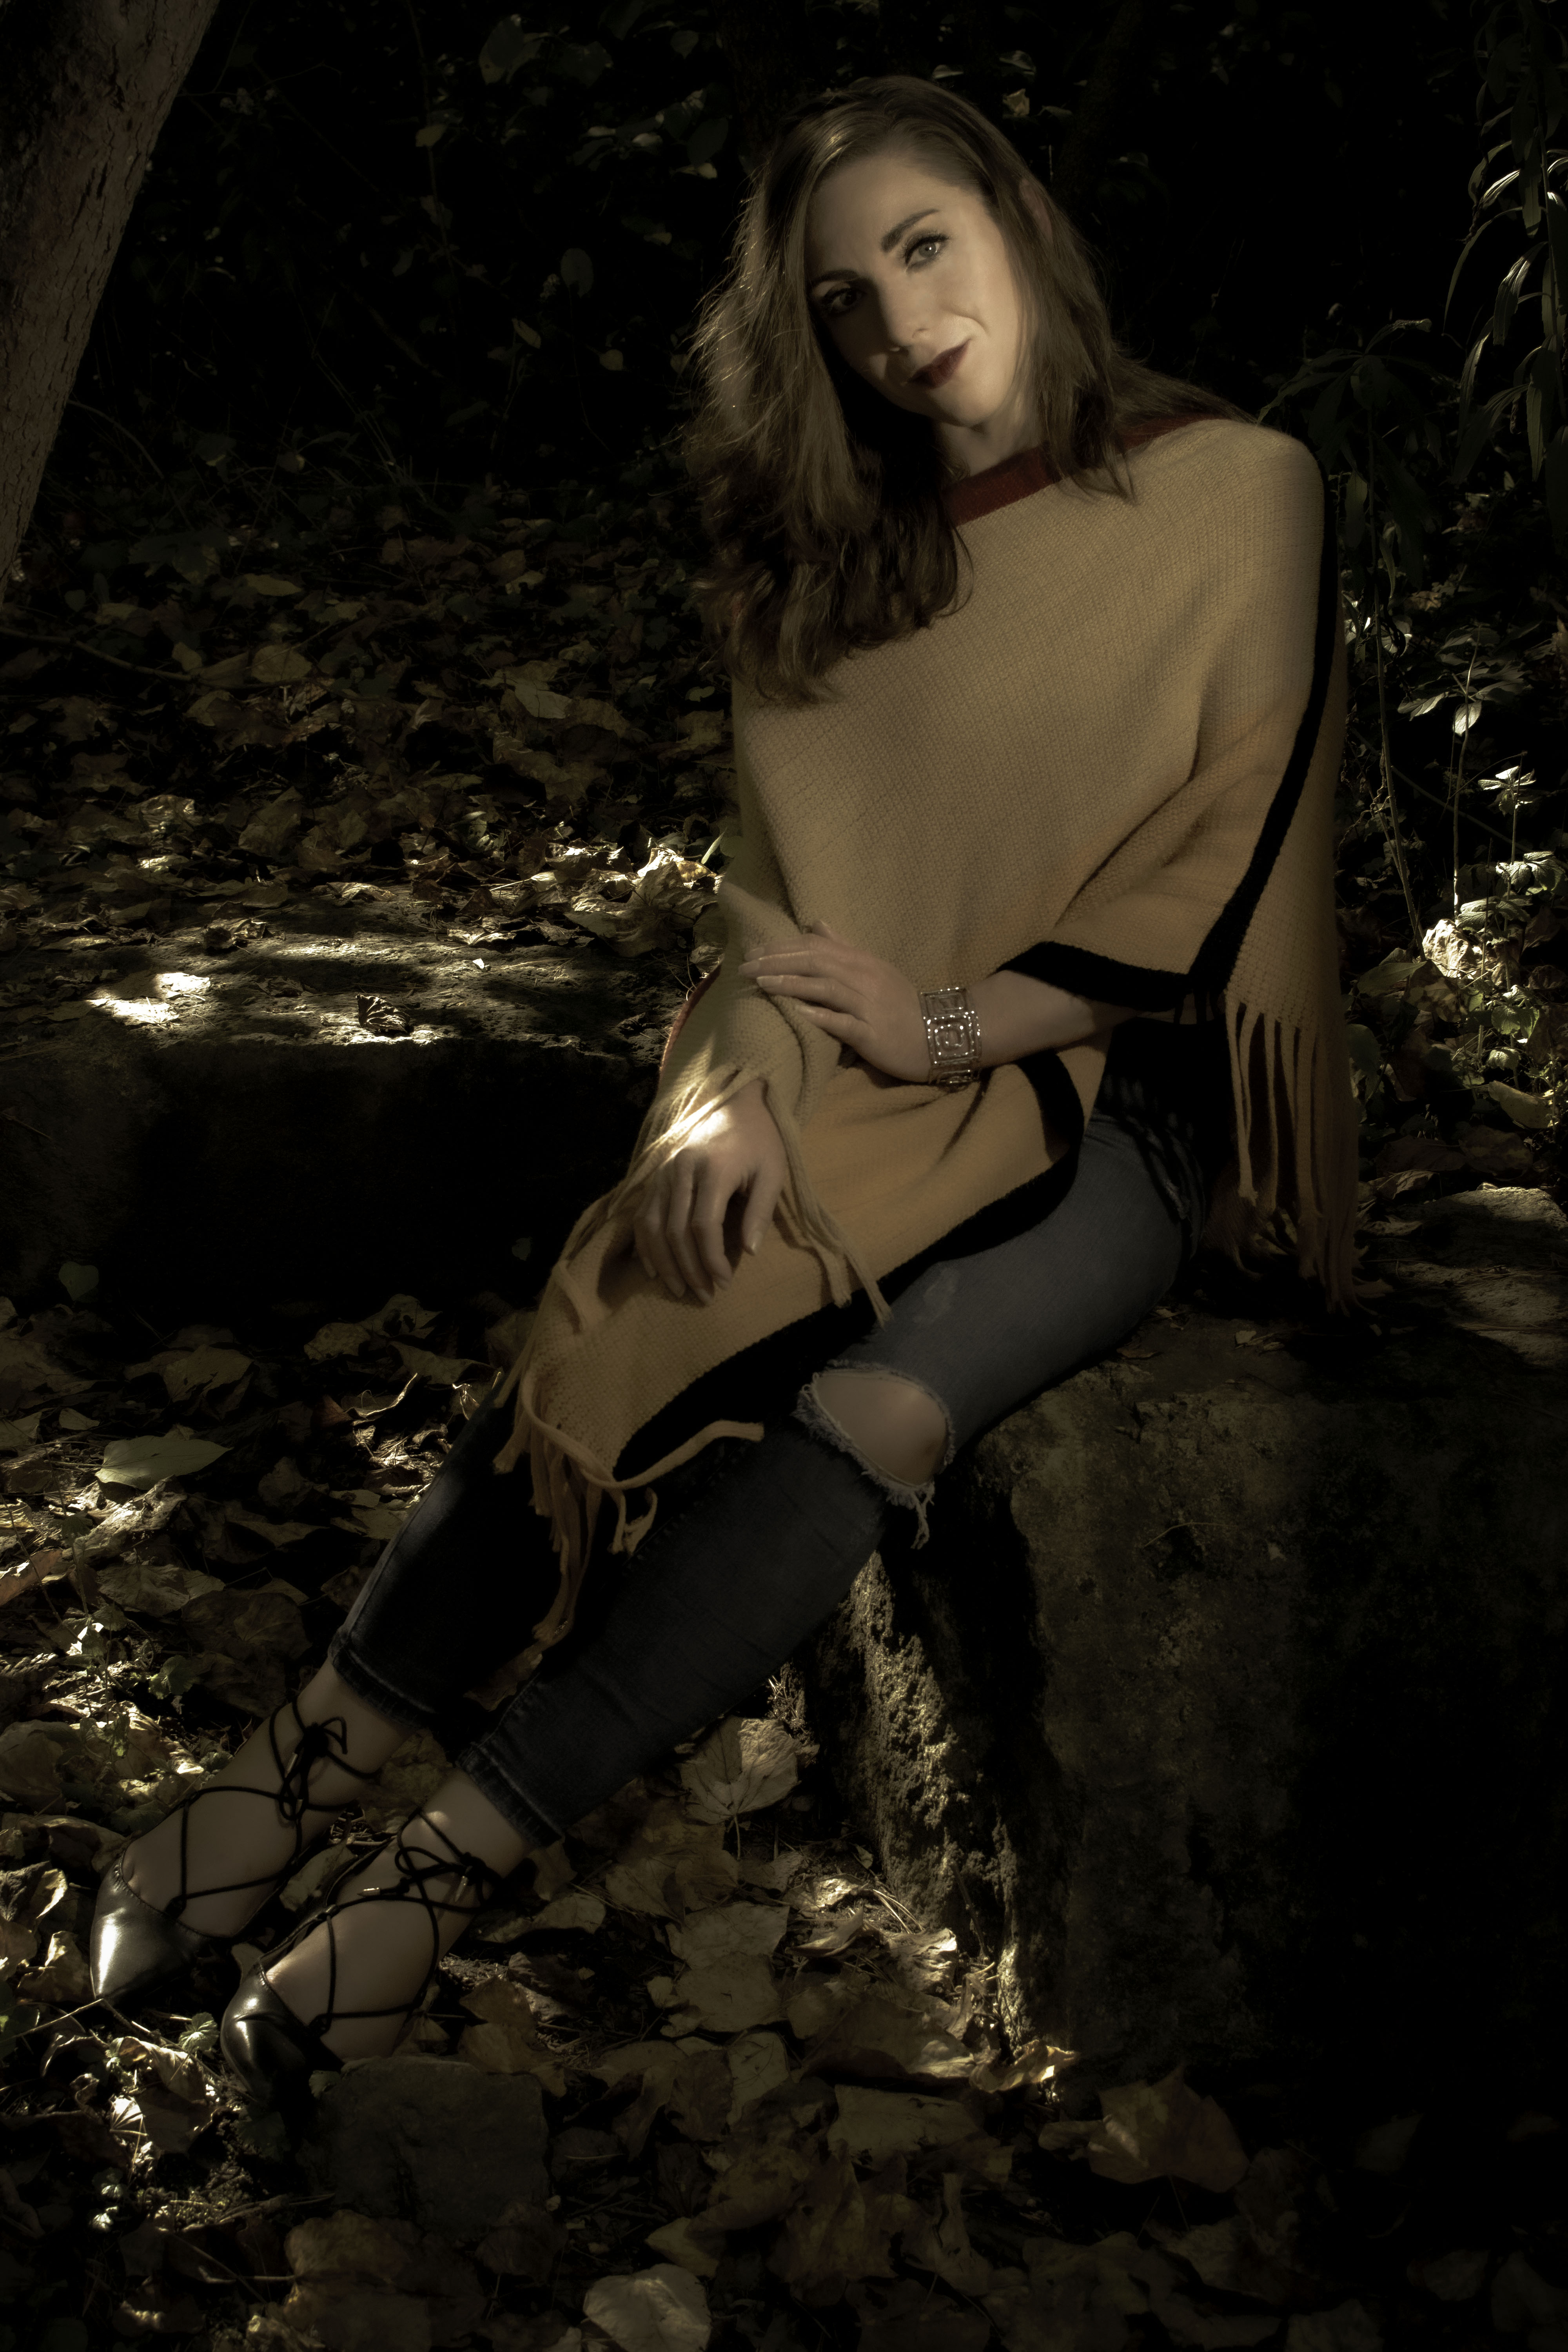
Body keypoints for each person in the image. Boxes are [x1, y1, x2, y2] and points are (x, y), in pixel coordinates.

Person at [89, 75, 1354, 2104]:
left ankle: (436, 1871)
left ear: (1015, 220)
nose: (902, 323)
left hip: (1120, 1093)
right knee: (663, 1273)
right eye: (845, 300)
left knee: (876, 1403)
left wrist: (945, 1031)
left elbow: (1216, 859)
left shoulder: (1240, 493)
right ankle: (298, 1765)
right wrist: (731, 1094)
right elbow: (775, 897)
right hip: (842, 1047)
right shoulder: (824, 560)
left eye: (925, 248)